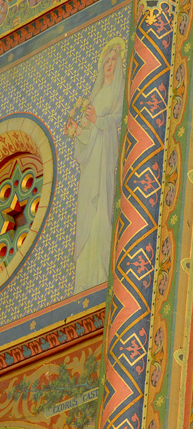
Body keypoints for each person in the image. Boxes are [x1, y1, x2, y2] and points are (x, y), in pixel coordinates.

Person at [71, 37, 126, 291]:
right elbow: (86, 141)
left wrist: (98, 121)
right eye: (107, 59)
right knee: (88, 215)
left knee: (101, 214)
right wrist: (78, 132)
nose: (110, 63)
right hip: (91, 168)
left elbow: (118, 121)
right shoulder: (96, 94)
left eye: (114, 59)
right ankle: (83, 280)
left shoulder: (117, 91)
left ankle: (100, 275)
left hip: (105, 162)